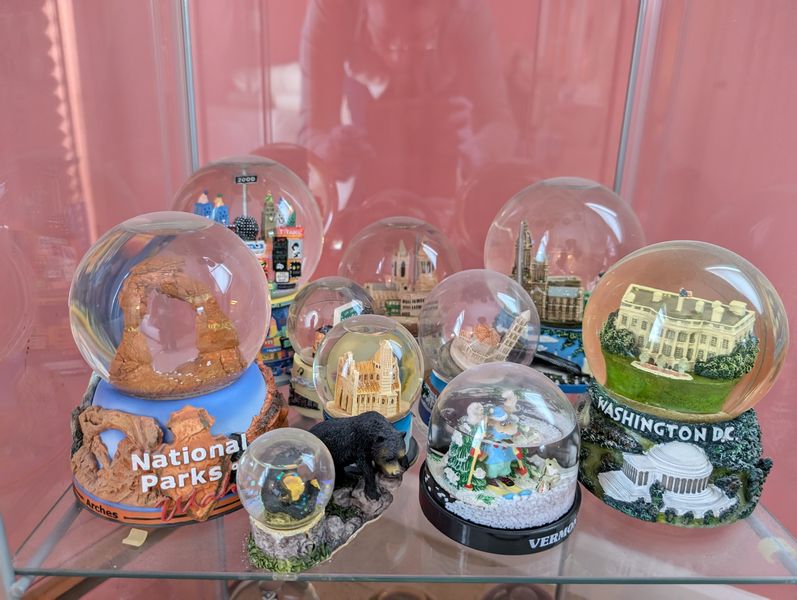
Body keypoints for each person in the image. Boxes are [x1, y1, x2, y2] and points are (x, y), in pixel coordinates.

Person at [299, 0, 516, 204]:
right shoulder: (331, 7)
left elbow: (500, 123)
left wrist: (477, 154)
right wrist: (331, 154)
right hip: (369, 143)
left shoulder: (468, 11)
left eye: (418, 40)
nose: (399, 60)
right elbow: (312, 128)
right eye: (385, 37)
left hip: (444, 156)